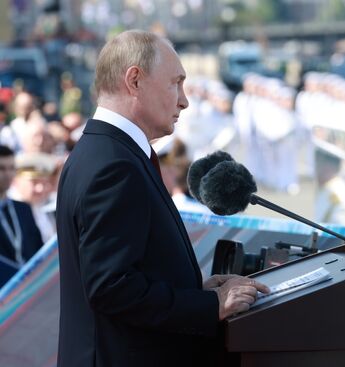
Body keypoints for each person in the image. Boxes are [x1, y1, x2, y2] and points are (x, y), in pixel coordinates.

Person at [56, 30, 269, 367]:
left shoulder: (107, 152)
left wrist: (196, 291)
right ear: (135, 80)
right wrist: (211, 306)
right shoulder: (114, 165)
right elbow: (111, 286)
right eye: (175, 83)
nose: (184, 100)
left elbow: (126, 271)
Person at [0, 145, 43, 266]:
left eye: (11, 168)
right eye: (1, 168)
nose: (8, 174)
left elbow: (37, 246)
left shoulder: (23, 208)